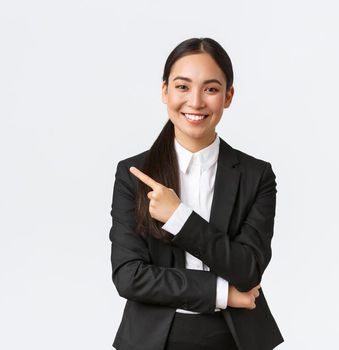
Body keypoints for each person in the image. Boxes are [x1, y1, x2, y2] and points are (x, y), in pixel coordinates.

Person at [109, 37, 284, 350]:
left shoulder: (257, 176)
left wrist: (179, 218)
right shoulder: (133, 175)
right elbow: (129, 276)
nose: (196, 102)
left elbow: (248, 269)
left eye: (211, 89)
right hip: (152, 338)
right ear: (165, 91)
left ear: (228, 96)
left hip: (235, 338)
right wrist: (221, 293)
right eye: (182, 86)